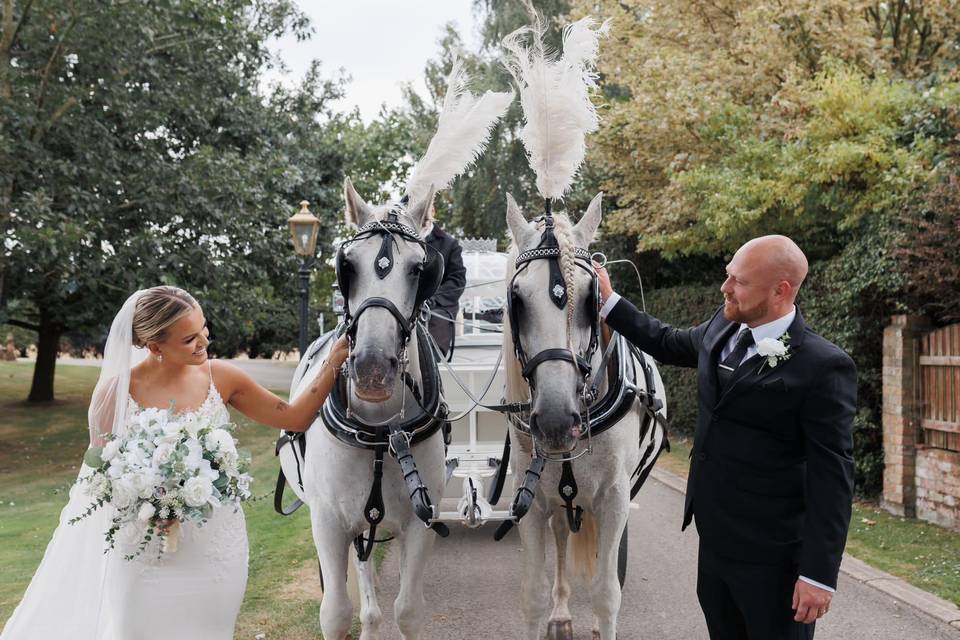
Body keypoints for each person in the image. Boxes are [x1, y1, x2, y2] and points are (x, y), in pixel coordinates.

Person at [1, 286, 349, 640]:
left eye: (204, 331)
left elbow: (293, 417)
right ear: (154, 347)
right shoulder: (113, 395)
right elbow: (99, 477)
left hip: (215, 547)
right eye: (189, 339)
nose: (203, 343)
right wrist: (148, 499)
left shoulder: (222, 378)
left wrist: (334, 361)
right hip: (142, 550)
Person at [595, 235, 856, 640]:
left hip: (774, 559)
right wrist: (610, 302)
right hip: (714, 544)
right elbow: (667, 342)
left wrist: (818, 575)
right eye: (727, 275)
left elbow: (832, 477)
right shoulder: (723, 325)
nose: (726, 288)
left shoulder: (824, 367)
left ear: (780, 291)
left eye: (739, 281)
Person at [421, 204, 466, 357]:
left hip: (439, 304)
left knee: (435, 319)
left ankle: (431, 362)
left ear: (433, 211)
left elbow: (457, 280)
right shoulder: (404, 240)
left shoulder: (449, 244)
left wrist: (432, 298)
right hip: (409, 304)